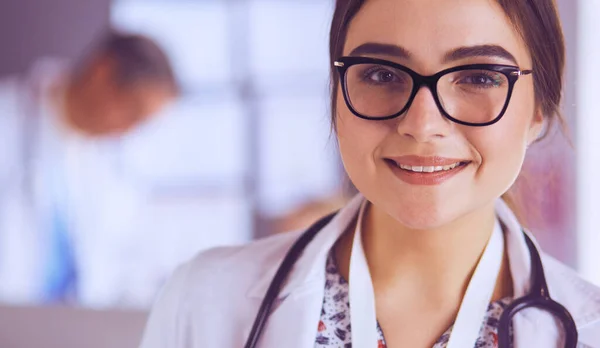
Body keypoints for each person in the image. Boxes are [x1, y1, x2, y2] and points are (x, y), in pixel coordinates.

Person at [139, 0, 600, 346]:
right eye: (381, 74)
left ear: (540, 108)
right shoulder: (203, 302)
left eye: (478, 77)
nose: (422, 126)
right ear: (337, 91)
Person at [0, 30, 179, 307]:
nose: (127, 131)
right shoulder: (8, 119)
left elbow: (123, 265)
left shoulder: (114, 172)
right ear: (101, 72)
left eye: (139, 123)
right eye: (131, 111)